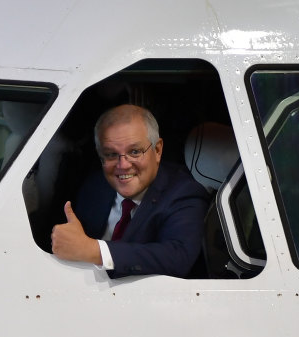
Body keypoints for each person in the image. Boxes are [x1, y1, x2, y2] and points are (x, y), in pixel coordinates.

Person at [51, 104, 209, 278]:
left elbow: (177, 257)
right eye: (111, 154)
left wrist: (95, 251)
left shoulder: (184, 193)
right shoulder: (95, 184)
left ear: (157, 150)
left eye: (134, 151)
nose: (123, 165)